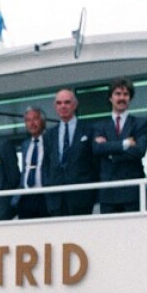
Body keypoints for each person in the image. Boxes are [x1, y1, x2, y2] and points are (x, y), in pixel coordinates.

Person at [93, 78, 147, 213]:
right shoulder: (99, 126)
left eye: (125, 94)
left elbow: (140, 150)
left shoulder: (140, 123)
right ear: (110, 98)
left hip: (133, 191)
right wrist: (125, 144)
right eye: (118, 94)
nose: (122, 98)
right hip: (108, 192)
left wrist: (111, 154)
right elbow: (97, 149)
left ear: (130, 98)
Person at [45, 88, 97, 217]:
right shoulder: (49, 134)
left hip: (82, 196)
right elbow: (47, 166)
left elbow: (95, 162)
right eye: (59, 103)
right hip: (56, 199)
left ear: (75, 104)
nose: (63, 106)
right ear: (55, 106)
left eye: (67, 102)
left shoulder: (88, 129)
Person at [15, 107, 51, 219]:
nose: (32, 123)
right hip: (26, 196)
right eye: (28, 120)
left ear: (43, 121)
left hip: (45, 196)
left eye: (35, 119)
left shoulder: (51, 140)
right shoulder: (25, 144)